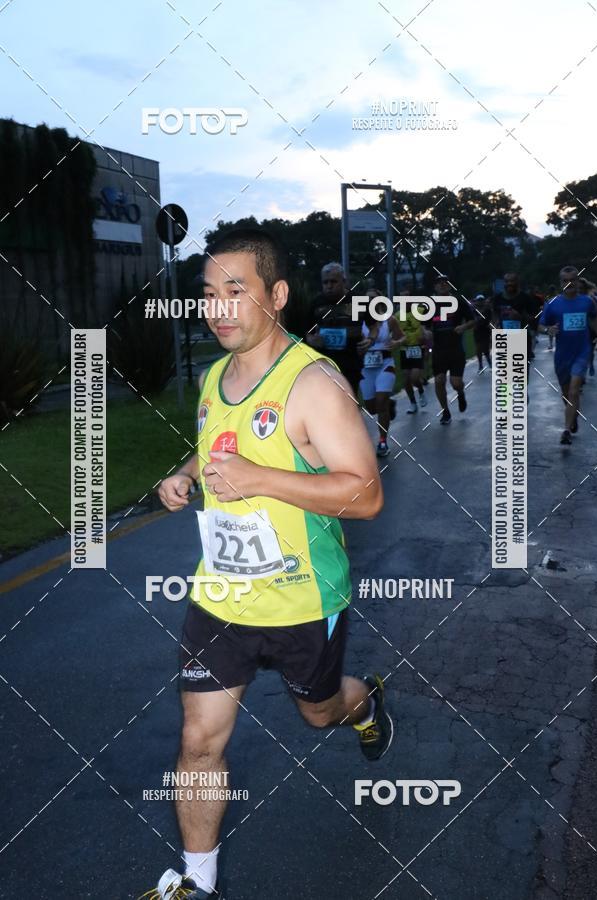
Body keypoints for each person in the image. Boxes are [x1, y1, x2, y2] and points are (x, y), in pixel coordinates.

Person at [153, 228, 391, 900]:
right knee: (199, 740)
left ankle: (366, 700)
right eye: (208, 293)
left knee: (319, 715)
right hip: (221, 598)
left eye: (237, 291)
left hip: (302, 601)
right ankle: (197, 883)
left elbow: (366, 493)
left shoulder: (314, 384)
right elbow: (217, 446)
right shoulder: (212, 377)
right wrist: (185, 473)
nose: (219, 307)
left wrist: (261, 478)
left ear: (276, 296)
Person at [539, 265, 597, 445]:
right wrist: (547, 329)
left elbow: (596, 317)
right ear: (560, 283)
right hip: (562, 356)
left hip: (582, 352)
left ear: (577, 281)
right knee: (567, 394)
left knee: (574, 390)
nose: (569, 284)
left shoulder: (587, 302)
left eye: (572, 280)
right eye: (565, 281)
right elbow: (540, 325)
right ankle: (572, 417)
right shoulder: (552, 304)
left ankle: (565, 430)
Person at [305, 262, 364, 395]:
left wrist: (370, 339)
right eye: (325, 282)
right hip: (325, 363)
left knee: (348, 400)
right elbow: (307, 331)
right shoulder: (316, 303)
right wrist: (311, 340)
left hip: (351, 363)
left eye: (333, 281)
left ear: (344, 281)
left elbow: (374, 326)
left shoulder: (357, 301)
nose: (329, 286)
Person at [357, 307, 405, 456]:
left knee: (381, 400)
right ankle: (389, 404)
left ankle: (382, 441)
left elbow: (402, 337)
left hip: (385, 364)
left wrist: (397, 343)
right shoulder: (358, 321)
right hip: (366, 368)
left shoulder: (389, 320)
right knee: (372, 408)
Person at [429, 274, 475, 424]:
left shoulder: (459, 302)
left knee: (455, 383)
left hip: (455, 348)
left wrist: (463, 326)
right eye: (439, 283)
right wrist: (425, 332)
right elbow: (424, 325)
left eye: (445, 282)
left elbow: (472, 320)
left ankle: (460, 393)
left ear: (449, 286)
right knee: (439, 380)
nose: (442, 285)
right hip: (438, 349)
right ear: (435, 287)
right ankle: (445, 412)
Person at [490, 273, 538, 373]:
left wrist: (520, 317)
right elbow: (494, 314)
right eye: (507, 281)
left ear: (517, 282)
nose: (509, 283)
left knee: (520, 375)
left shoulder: (525, 298)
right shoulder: (498, 298)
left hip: (522, 339)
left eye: (512, 281)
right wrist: (495, 324)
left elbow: (534, 318)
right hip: (503, 340)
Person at [397, 300, 428, 412]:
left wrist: (424, 335)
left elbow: (427, 326)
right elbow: (395, 332)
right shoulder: (397, 316)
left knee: (414, 378)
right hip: (404, 350)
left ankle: (420, 391)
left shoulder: (421, 311)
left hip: (417, 348)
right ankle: (413, 403)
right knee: (406, 380)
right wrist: (398, 340)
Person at [578, 277, 597, 376]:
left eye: (581, 288)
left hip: (590, 330)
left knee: (590, 351)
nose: (579, 290)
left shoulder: (592, 299)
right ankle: (581, 375)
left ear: (585, 289)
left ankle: (590, 364)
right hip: (578, 331)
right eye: (578, 288)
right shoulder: (572, 300)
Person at [472, 294, 492, 371]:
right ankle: (480, 365)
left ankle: (489, 362)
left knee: (486, 348)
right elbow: (473, 319)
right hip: (477, 330)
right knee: (478, 348)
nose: (480, 302)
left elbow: (488, 320)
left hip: (485, 330)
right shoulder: (474, 310)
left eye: (481, 300)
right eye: (479, 300)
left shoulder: (487, 310)